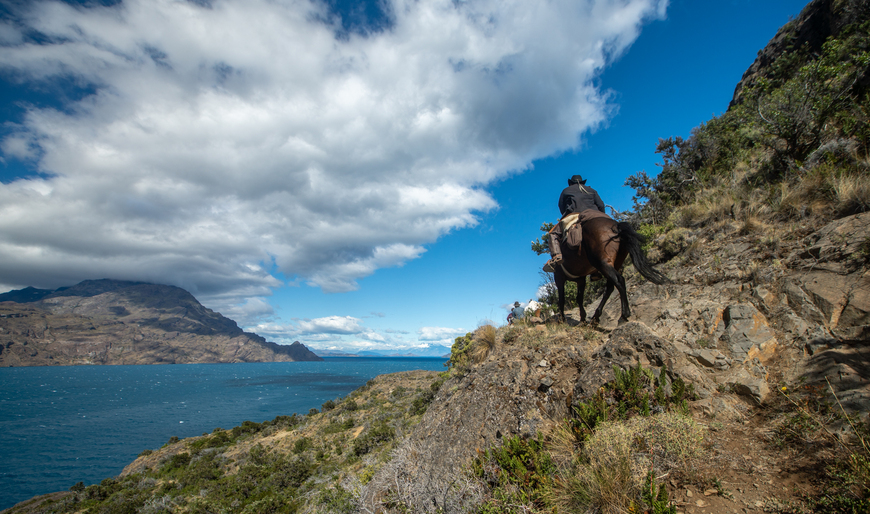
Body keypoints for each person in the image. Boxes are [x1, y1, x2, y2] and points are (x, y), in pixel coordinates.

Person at [544, 175, 607, 272]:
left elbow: (561, 207)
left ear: (570, 183)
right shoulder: (592, 190)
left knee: (553, 233)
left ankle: (556, 257)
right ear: (582, 182)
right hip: (595, 214)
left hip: (575, 214)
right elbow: (601, 205)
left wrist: (566, 216)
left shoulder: (566, 190)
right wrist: (601, 217)